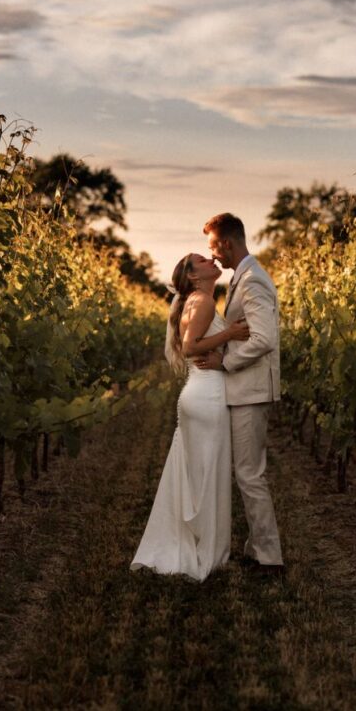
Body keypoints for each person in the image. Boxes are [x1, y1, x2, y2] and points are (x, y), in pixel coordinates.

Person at [130, 253, 250, 581]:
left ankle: (199, 543)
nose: (211, 259)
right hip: (207, 396)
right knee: (209, 474)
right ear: (194, 276)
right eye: (202, 260)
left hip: (200, 393)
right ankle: (208, 553)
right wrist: (231, 334)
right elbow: (190, 346)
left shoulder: (198, 299)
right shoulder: (204, 302)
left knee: (199, 472)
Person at [196, 213, 284, 572]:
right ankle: (256, 547)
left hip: (249, 390)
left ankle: (269, 558)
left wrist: (224, 361)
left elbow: (264, 339)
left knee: (250, 474)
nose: (212, 256)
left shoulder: (252, 282)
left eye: (213, 248)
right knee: (248, 472)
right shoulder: (244, 277)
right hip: (245, 390)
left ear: (227, 244)